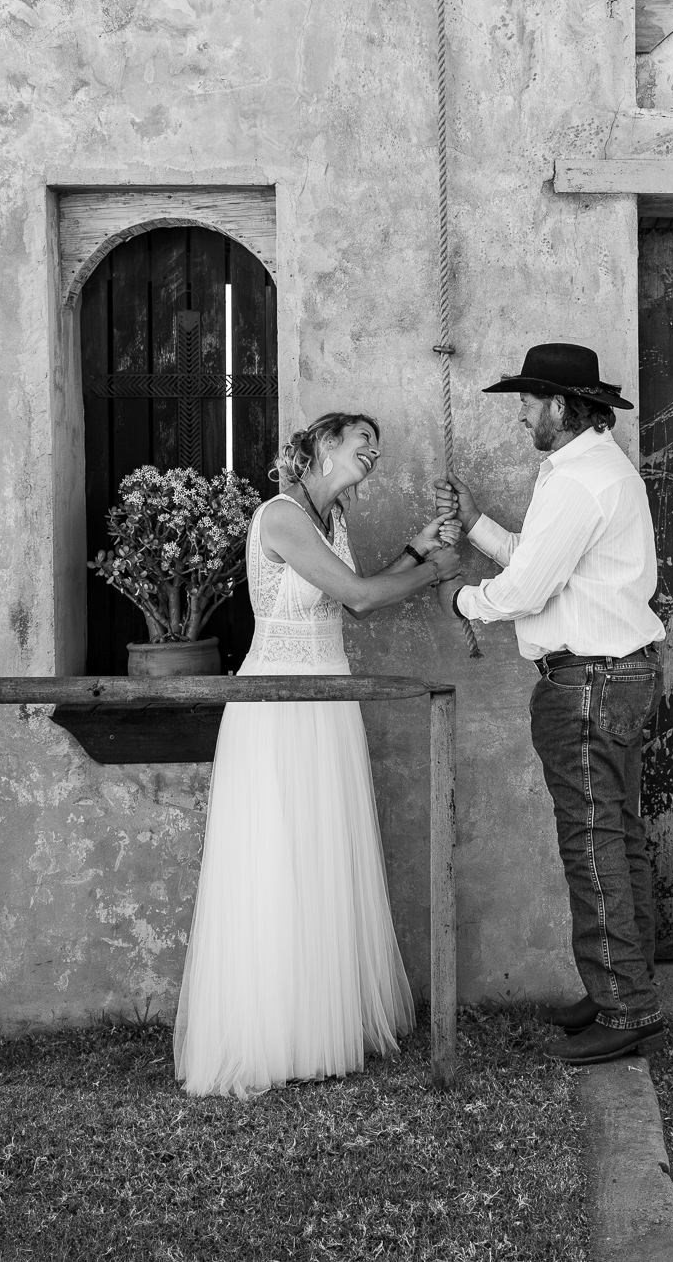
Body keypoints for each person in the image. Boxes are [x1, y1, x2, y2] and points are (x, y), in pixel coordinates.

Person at [175, 410, 465, 1099]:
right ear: (323, 445)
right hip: (278, 708)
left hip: (327, 704)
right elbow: (362, 597)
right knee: (276, 862)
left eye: (379, 442)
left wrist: (415, 551)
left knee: (319, 860)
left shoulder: (329, 520)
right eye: (363, 439)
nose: (375, 449)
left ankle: (316, 1030)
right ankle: (267, 1035)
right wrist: (433, 573)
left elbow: (346, 600)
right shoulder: (281, 516)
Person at [432, 343, 667, 1066]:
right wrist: (477, 525)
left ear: (561, 407)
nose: (523, 414)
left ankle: (624, 1007)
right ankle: (619, 988)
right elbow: (547, 563)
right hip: (613, 676)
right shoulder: (592, 470)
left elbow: (527, 590)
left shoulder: (577, 481)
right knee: (616, 838)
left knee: (593, 843)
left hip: (590, 684)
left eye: (530, 401)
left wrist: (461, 598)